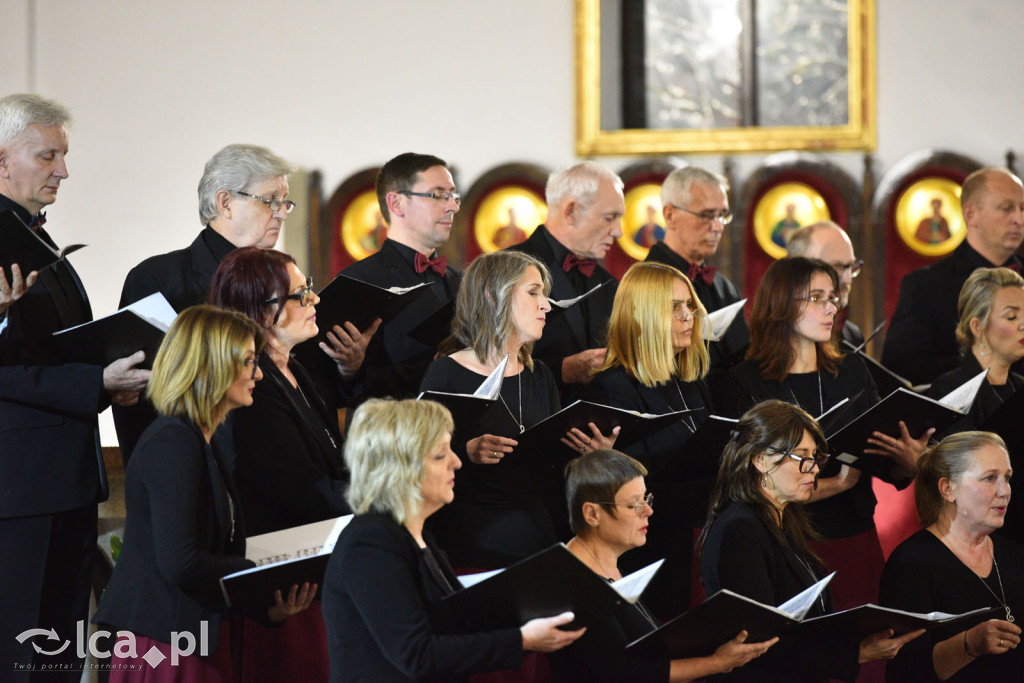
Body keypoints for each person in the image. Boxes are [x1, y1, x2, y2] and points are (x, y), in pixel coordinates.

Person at [0, 93, 150, 680]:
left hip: (64, 481)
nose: (62, 170)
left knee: (58, 658)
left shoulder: (34, 239)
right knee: (22, 658)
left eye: (63, 155)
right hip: (18, 490)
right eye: (48, 155)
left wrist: (109, 379)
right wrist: (93, 380)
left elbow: (51, 351)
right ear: (2, 159)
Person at [93, 305, 315, 681]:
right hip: (164, 646)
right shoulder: (173, 441)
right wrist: (262, 573)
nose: (258, 373)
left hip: (190, 636)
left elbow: (214, 553)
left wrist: (269, 609)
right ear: (211, 365)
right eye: (248, 361)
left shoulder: (197, 438)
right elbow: (181, 563)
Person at [717, 257, 931, 609]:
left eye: (832, 297)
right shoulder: (744, 381)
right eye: (816, 297)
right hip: (781, 538)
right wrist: (837, 483)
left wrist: (908, 460)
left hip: (851, 531)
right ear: (782, 303)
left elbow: (879, 458)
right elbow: (747, 482)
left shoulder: (850, 370)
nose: (832, 307)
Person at [322, 398, 585, 682]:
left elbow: (457, 622)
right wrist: (521, 640)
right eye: (440, 455)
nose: (457, 462)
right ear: (399, 467)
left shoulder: (414, 534)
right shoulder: (371, 541)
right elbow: (417, 654)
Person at [699, 400, 923, 682]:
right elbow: (757, 643)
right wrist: (856, 652)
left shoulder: (783, 519)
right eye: (802, 456)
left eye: (816, 456)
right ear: (759, 459)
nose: (815, 469)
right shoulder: (739, 530)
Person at [420, 250, 618, 568]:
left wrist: (592, 455)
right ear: (492, 295)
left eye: (544, 294)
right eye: (533, 293)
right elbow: (418, 459)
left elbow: (554, 465)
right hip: (473, 533)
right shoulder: (446, 372)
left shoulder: (539, 375)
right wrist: (466, 450)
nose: (546, 305)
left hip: (539, 526)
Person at [209, 246, 352, 682]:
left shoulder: (295, 370)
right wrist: (380, 498)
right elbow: (293, 486)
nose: (316, 300)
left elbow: (329, 463)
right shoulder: (251, 390)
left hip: (314, 562)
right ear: (261, 310)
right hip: (278, 576)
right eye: (301, 294)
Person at [114, 143, 302, 463]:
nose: (281, 212)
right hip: (200, 472)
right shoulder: (159, 279)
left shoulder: (284, 279)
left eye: (284, 202)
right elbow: (138, 397)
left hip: (281, 467)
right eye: (271, 200)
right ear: (225, 202)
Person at [547, 449, 776, 682]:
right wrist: (717, 663)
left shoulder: (605, 565)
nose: (648, 511)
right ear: (592, 513)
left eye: (646, 499)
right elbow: (621, 673)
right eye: (634, 504)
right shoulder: (573, 579)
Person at [585, 261, 713, 612]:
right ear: (643, 315)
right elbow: (635, 486)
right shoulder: (612, 388)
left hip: (699, 537)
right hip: (653, 553)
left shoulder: (691, 381)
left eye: (689, 305)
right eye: (674, 308)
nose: (688, 316)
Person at [880, 431, 1023, 682]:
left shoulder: (1014, 553)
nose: (1005, 491)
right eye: (989, 478)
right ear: (948, 489)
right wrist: (970, 644)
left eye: (1007, 478)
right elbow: (907, 671)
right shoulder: (911, 563)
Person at [327, 152, 461, 405]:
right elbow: (344, 388)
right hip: (395, 433)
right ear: (396, 203)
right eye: (437, 195)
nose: (452, 206)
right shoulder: (358, 282)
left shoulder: (463, 281)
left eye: (453, 195)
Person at [883, 167, 1024, 385]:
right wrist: (986, 358)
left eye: (1023, 208)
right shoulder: (925, 286)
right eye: (1006, 209)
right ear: (971, 215)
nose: (1018, 218)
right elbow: (900, 371)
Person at [508, 161, 623, 400]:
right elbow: (484, 364)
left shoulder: (611, 284)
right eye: (610, 217)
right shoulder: (505, 271)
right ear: (571, 212)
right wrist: (561, 371)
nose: (618, 231)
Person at [928, 267, 1024, 542]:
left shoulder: (1018, 383)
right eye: (1012, 316)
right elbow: (964, 481)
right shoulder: (949, 390)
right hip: (979, 537)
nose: (1023, 323)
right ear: (977, 327)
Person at [646, 166, 749, 371]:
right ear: (670, 215)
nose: (718, 226)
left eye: (722, 215)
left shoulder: (724, 287)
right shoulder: (645, 283)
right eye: (707, 215)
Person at [786, 221, 866, 349]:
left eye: (850, 266)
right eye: (836, 267)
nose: (847, 279)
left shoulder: (852, 335)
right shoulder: (772, 337)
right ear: (798, 270)